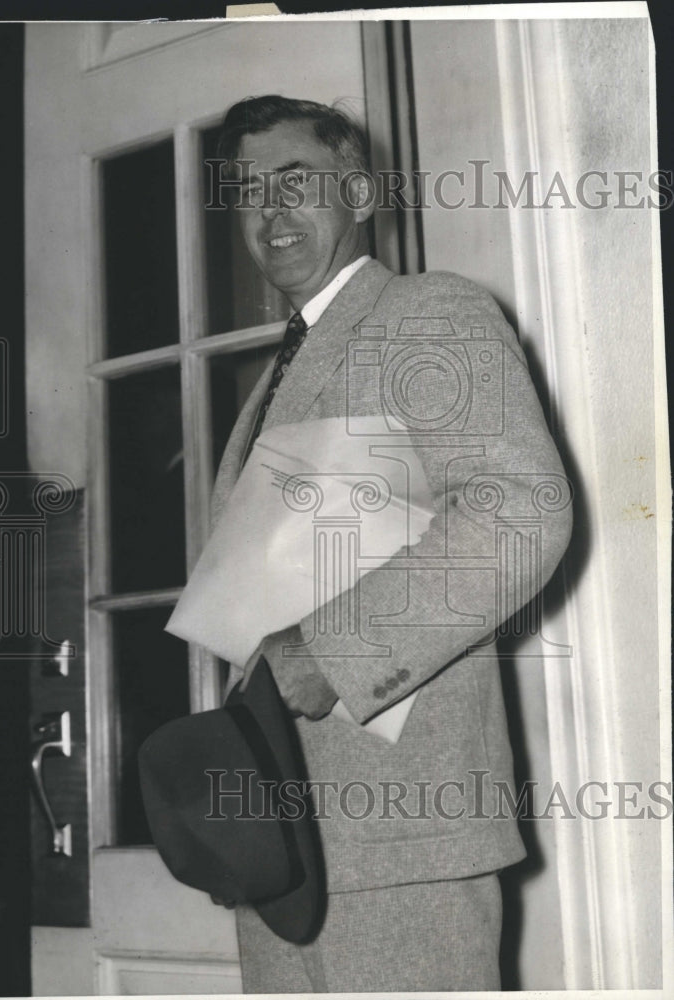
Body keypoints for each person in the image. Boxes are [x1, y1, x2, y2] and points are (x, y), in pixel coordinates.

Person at [209, 95, 573, 992]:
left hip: (401, 840)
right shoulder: (270, 380)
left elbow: (521, 510)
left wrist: (327, 655)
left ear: (360, 191)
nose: (268, 211)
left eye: (294, 182)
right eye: (247, 190)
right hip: (279, 849)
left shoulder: (429, 313)